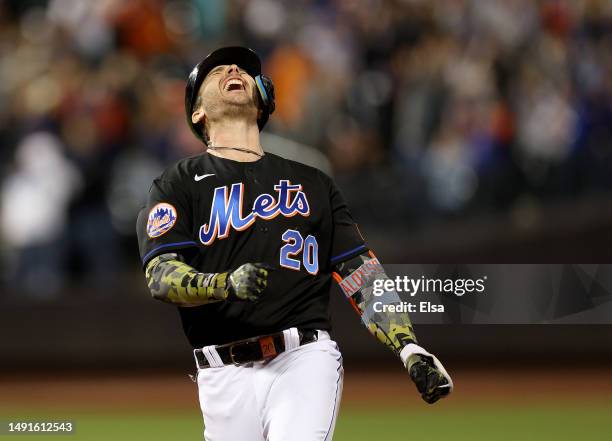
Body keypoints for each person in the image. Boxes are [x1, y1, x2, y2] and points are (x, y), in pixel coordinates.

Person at [136, 46, 452, 441]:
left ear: (263, 100)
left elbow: (361, 272)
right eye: (217, 71)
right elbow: (160, 276)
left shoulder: (313, 182)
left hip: (303, 359)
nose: (234, 68)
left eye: (243, 70)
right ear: (197, 112)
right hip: (220, 375)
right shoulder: (177, 184)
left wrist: (408, 348)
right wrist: (224, 284)